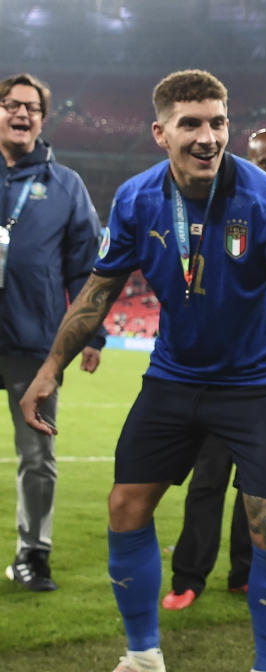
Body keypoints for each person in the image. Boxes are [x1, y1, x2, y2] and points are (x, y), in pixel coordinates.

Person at [18, 69, 266, 672]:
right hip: (175, 376)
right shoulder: (136, 199)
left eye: (218, 123)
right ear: (160, 133)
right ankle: (143, 663)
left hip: (261, 382)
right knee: (125, 506)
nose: (208, 138)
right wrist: (48, 370)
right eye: (192, 124)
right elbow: (98, 291)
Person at [160, 127, 266, 611]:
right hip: (217, 377)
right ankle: (188, 576)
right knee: (207, 481)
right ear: (246, 162)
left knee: (257, 489)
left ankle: (245, 572)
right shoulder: (225, 209)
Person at [0, 72, 104, 592]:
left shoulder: (65, 185)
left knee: (37, 455)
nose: (22, 114)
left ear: (42, 118)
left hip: (34, 342)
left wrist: (93, 335)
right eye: (11, 105)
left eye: (32, 108)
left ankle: (33, 555)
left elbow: (87, 268)